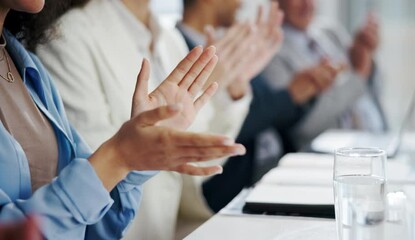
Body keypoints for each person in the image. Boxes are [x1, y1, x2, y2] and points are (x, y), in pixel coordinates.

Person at [0, 0, 245, 239]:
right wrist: (120, 156)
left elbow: (94, 221)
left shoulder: (28, 67)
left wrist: (138, 158)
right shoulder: (73, 35)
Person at [178, 0, 345, 214]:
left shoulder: (229, 45)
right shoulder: (180, 52)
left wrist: (303, 92)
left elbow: (268, 112)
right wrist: (290, 95)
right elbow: (225, 127)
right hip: (235, 190)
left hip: (276, 170)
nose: (241, 3)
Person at [263, 0, 388, 150]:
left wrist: (366, 57)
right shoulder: (270, 54)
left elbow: (374, 91)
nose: (307, 4)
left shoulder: (331, 32)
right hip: (331, 156)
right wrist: (359, 75)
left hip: (377, 139)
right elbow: (303, 127)